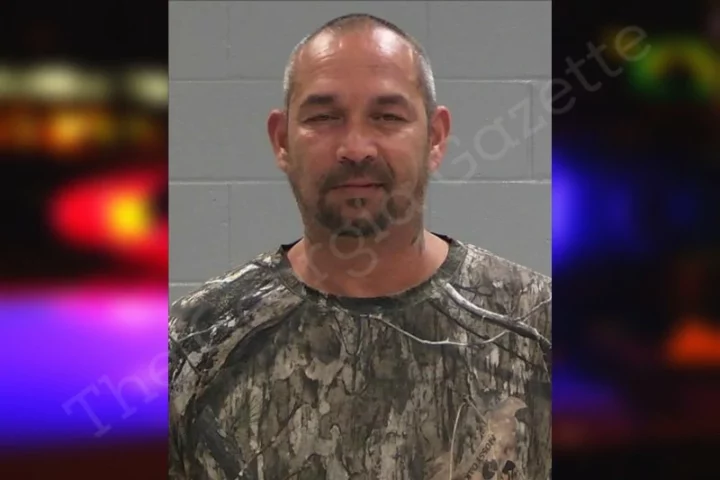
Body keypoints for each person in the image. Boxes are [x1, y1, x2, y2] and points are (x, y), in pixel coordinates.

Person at [169, 13, 551, 480]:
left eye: (387, 117)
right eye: (324, 117)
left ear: (434, 138)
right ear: (282, 140)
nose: (355, 147)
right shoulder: (193, 344)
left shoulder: (538, 325)